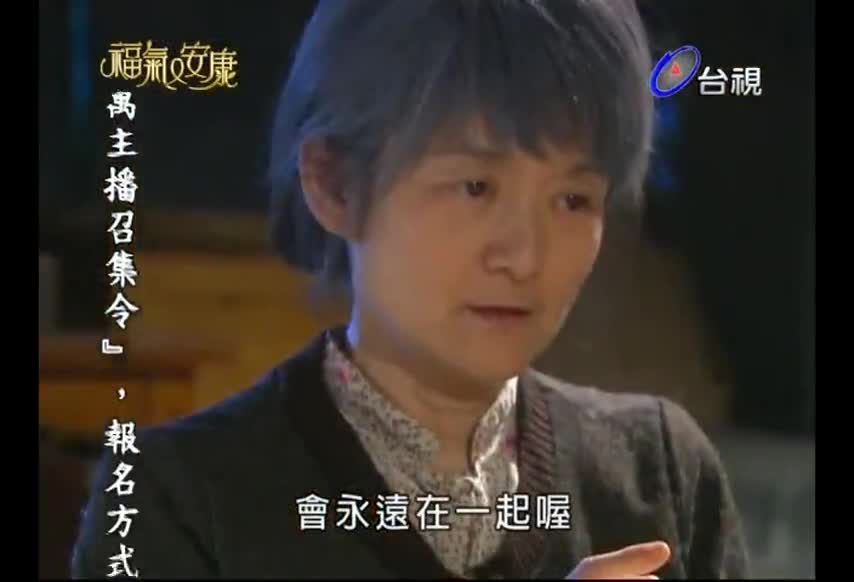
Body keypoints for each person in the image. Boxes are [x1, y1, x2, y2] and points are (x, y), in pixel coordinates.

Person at [71, 0, 750, 578]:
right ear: (334, 184)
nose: (525, 257)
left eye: (573, 199)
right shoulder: (177, 497)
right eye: (475, 187)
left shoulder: (660, 472)